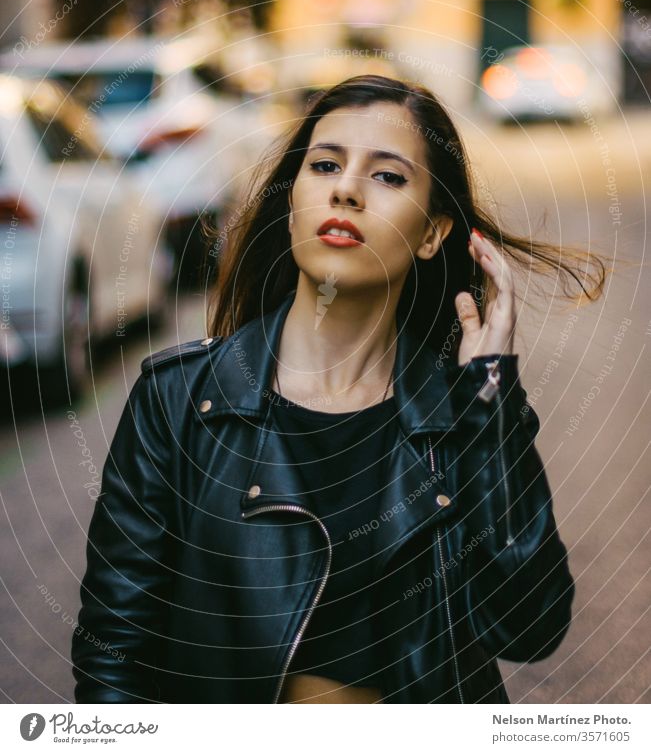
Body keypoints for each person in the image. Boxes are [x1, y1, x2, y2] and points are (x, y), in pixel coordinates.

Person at [72, 74, 605, 704]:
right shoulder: (179, 400)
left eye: (388, 177)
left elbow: (529, 627)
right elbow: (112, 654)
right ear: (295, 197)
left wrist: (487, 401)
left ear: (433, 233)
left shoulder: (467, 416)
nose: (347, 190)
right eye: (325, 165)